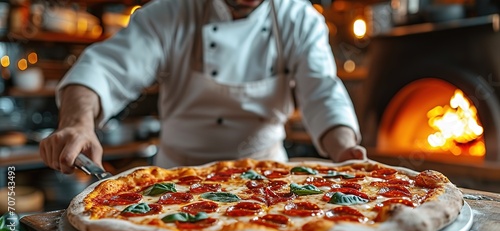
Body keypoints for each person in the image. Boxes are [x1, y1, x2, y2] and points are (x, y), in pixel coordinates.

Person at [39, 0, 366, 174]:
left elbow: (322, 92)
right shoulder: (170, 12)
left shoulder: (299, 19)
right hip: (174, 180)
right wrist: (77, 124)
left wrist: (346, 151)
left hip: (268, 179)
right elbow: (104, 69)